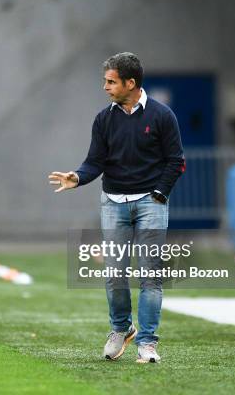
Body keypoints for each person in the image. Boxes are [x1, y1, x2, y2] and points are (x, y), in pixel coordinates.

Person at [48, 52, 185, 363]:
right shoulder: (104, 119)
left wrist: (159, 195)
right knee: (114, 273)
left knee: (150, 276)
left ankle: (148, 343)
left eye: (111, 82)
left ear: (131, 83)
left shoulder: (163, 116)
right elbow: (95, 161)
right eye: (105, 81)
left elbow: (176, 161)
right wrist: (77, 177)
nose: (105, 87)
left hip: (151, 204)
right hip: (113, 204)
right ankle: (121, 329)